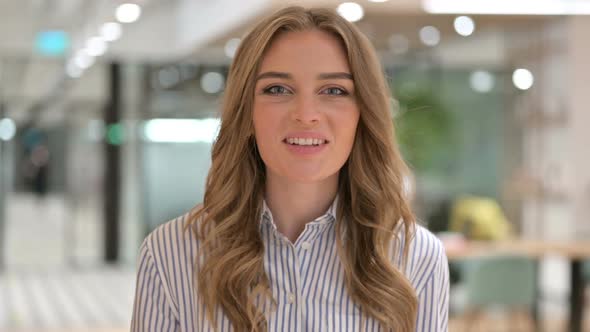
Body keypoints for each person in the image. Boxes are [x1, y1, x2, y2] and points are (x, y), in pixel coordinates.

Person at [131, 6, 449, 332]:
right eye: (277, 89)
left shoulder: (415, 257)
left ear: (363, 113)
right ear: (247, 113)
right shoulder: (170, 253)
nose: (306, 114)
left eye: (334, 91)